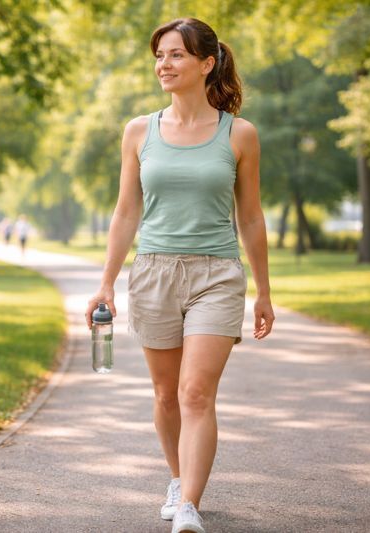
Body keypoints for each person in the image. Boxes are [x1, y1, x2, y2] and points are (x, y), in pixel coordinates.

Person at [84, 18, 275, 533]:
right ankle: (176, 479)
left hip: (217, 274)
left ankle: (188, 504)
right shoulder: (139, 131)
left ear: (206, 64)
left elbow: (251, 217)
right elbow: (126, 212)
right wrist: (106, 282)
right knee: (166, 395)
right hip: (154, 274)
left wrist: (263, 291)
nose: (163, 65)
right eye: (159, 56)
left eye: (175, 56)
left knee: (195, 393)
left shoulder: (240, 134)